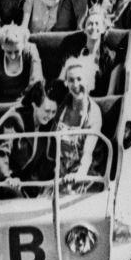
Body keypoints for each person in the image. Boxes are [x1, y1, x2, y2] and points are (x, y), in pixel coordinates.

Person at [0, 81, 59, 196]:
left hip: (24, 182)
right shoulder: (15, 119)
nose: (50, 116)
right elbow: (2, 152)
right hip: (3, 180)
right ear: (34, 106)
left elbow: (41, 163)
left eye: (53, 112)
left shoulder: (47, 126)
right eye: (47, 111)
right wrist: (7, 177)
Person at [51, 57, 104, 191]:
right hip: (60, 173)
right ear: (66, 83)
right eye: (71, 80)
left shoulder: (93, 113)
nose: (75, 85)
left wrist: (80, 173)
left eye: (79, 79)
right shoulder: (62, 107)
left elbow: (88, 153)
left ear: (88, 81)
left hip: (84, 174)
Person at [59, 5, 128, 96]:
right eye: (90, 24)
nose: (93, 27)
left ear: (103, 29)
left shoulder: (111, 58)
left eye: (97, 24)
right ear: (84, 29)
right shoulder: (72, 50)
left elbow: (109, 94)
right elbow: (62, 79)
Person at [0, 25, 43, 103]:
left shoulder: (31, 50)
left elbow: (36, 78)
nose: (13, 56)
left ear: (23, 45)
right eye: (9, 52)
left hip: (24, 98)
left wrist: (26, 99)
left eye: (17, 51)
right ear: (2, 47)